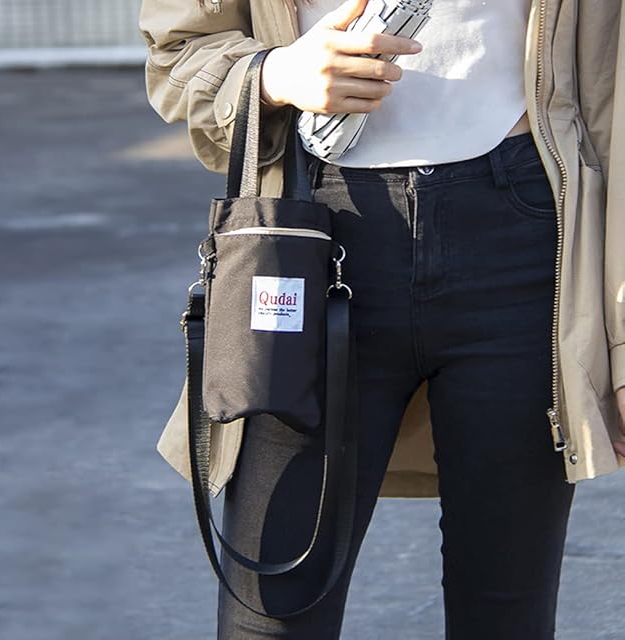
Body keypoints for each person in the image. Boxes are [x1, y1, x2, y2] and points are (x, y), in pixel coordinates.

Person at [138, 0, 625, 638]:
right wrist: (276, 74)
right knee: (271, 614)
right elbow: (179, 50)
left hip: (528, 241)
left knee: (508, 613)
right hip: (311, 230)